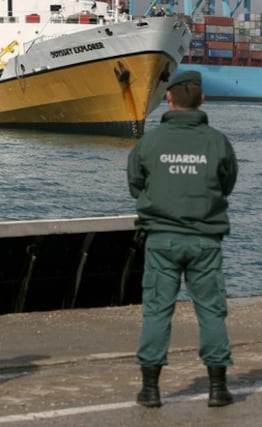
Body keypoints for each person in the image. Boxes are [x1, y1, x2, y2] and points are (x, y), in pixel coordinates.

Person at [127, 70, 238, 408]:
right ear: (202, 99)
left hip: (161, 240)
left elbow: (135, 184)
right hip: (205, 240)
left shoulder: (149, 143)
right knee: (211, 312)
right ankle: (218, 389)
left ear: (169, 99)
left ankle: (151, 390)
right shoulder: (218, 142)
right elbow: (227, 182)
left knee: (158, 311)